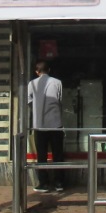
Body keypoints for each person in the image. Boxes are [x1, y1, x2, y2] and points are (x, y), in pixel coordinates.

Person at [27, 60, 65, 193]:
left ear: (37, 72)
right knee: (58, 154)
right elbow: (60, 100)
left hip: (39, 125)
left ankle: (43, 183)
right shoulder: (57, 82)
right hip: (56, 124)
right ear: (49, 70)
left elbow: (29, 101)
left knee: (41, 155)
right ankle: (59, 182)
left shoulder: (32, 84)